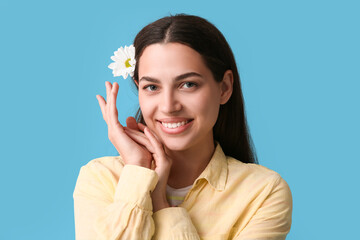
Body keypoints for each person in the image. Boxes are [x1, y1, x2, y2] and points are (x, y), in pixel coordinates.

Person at [73, 14, 292, 240]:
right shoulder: (100, 178)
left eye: (188, 84)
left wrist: (160, 202)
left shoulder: (263, 192)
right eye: (151, 87)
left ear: (225, 88)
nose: (168, 106)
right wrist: (138, 172)